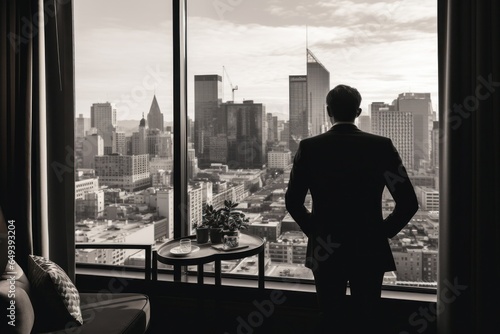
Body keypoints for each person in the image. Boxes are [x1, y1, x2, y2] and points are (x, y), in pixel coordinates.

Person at [285, 84, 419, 333]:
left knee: (330, 318)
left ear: (328, 112)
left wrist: (315, 230)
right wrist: (381, 232)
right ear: (358, 112)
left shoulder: (310, 147)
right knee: (367, 318)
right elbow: (409, 203)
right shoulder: (381, 146)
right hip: (368, 247)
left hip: (325, 248)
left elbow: (293, 202)